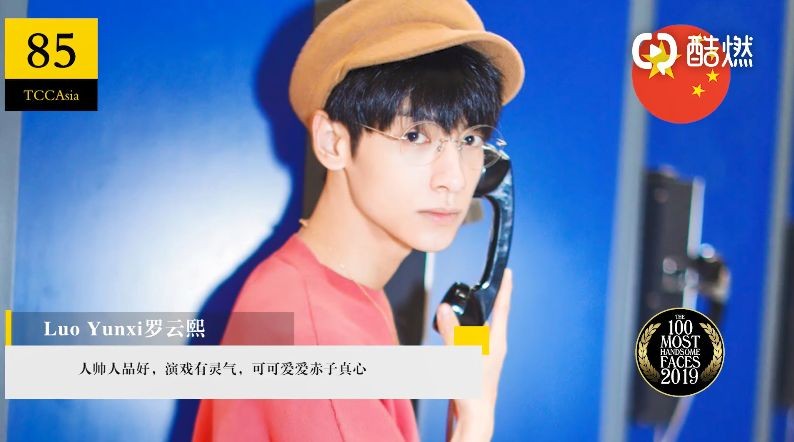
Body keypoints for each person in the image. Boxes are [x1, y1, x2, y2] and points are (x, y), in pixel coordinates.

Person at [193, 0, 524, 440]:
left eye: (469, 139)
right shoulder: (316, 339)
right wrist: (475, 420)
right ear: (333, 143)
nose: (455, 178)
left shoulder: (332, 293)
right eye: (415, 136)